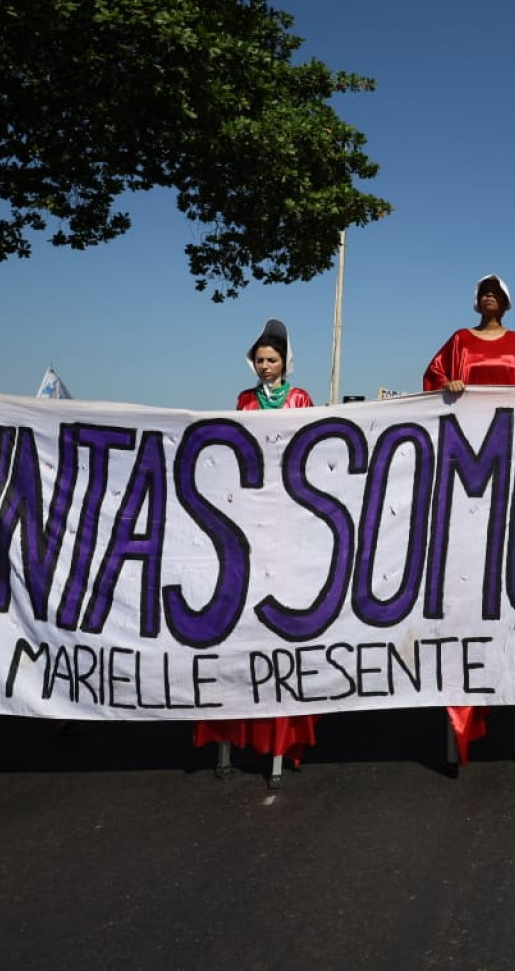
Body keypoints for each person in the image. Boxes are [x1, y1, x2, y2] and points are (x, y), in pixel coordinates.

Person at [423, 274, 515, 764]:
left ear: (505, 303)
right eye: (482, 292)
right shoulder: (459, 342)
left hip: (510, 466)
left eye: (496, 293)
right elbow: (432, 382)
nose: (488, 298)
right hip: (465, 468)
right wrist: (449, 384)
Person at [195, 320, 317, 770]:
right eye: (261, 360)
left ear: (286, 362)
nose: (266, 367)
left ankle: (283, 735)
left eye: (273, 360)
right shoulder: (244, 400)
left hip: (288, 504)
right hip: (248, 505)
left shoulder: (300, 398)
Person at [423, 274, 515, 397]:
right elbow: (434, 374)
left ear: (505, 303)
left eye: (496, 292)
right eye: (485, 291)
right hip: (467, 426)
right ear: (478, 301)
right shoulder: (460, 339)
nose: (489, 294)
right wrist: (446, 384)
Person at [235, 319, 313, 411]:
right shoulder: (245, 398)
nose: (264, 366)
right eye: (260, 361)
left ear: (284, 362)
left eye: (271, 361)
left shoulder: (299, 398)